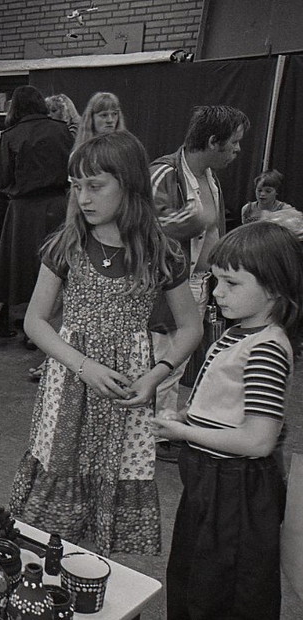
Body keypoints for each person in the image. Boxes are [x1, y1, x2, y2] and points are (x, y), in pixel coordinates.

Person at [9, 131, 202, 555]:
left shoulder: (161, 251)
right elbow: (36, 321)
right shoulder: (67, 245)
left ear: (129, 184)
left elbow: (191, 326)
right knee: (58, 484)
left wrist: (156, 375)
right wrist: (84, 366)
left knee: (114, 474)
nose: (83, 198)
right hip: (69, 384)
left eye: (95, 186)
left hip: (127, 393)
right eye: (76, 186)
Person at [154, 221, 303, 620]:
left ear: (274, 287)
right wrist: (184, 415)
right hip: (212, 483)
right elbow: (224, 404)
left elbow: (258, 440)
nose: (217, 292)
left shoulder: (267, 348)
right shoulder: (237, 334)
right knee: (193, 575)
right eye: (216, 280)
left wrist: (182, 431)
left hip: (237, 491)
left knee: (226, 590)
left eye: (232, 283)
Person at [150, 105, 250, 461]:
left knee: (177, 361)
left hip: (199, 280)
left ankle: (163, 427)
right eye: (233, 142)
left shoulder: (209, 177)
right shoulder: (163, 173)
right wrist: (194, 221)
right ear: (212, 141)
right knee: (162, 357)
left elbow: (212, 230)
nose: (237, 150)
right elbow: (148, 226)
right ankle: (153, 434)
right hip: (168, 285)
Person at [0, 85, 73, 350]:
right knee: (53, 270)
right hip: (59, 208)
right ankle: (38, 332)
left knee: (6, 268)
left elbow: (1, 179)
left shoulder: (10, 135)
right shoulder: (63, 131)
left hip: (24, 210)